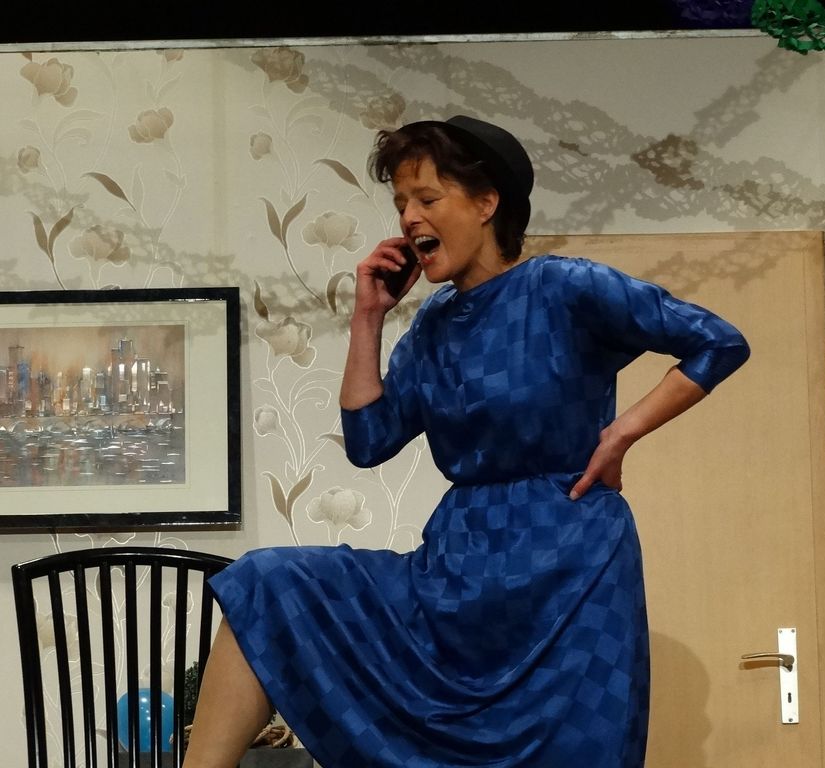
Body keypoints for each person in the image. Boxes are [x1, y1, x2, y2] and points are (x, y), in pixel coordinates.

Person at [185, 115, 750, 768]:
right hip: (459, 570)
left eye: (427, 197)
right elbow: (368, 440)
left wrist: (624, 432)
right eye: (401, 202)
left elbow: (718, 342)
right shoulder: (433, 325)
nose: (408, 218)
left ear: (486, 203)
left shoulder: (565, 286)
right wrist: (368, 316)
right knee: (267, 582)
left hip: (573, 568)